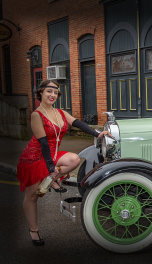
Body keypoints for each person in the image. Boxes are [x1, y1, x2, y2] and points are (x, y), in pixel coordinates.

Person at [17, 80, 111, 246]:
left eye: (55, 93)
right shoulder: (36, 115)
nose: (52, 95)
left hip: (53, 154)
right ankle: (34, 229)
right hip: (35, 156)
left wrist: (97, 134)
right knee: (32, 195)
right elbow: (44, 143)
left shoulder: (60, 112)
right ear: (41, 93)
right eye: (48, 92)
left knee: (74, 159)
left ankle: (51, 178)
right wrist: (51, 168)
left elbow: (78, 123)